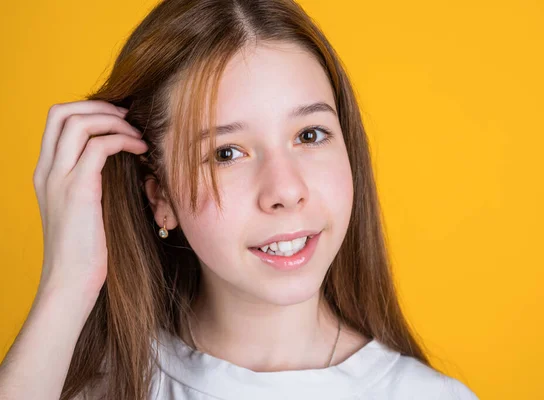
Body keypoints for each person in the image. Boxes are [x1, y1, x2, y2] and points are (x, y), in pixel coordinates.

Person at [0, 0, 479, 399]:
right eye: (227, 153)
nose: (286, 191)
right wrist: (67, 285)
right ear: (160, 198)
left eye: (310, 134)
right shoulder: (92, 388)